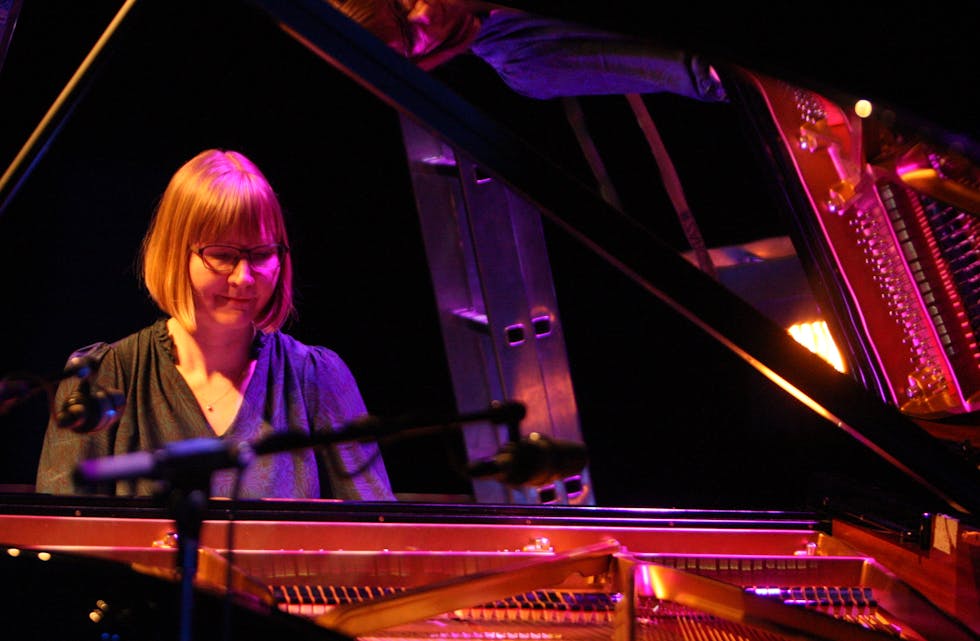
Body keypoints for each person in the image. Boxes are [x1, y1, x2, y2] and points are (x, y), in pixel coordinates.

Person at [35, 149, 396, 501]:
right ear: (176, 254)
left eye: (262, 254)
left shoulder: (316, 378)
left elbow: (377, 537)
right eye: (222, 255)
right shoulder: (102, 380)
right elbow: (61, 538)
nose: (244, 277)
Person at [325, 0, 728, 102]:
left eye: (400, 3)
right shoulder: (528, 64)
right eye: (412, 38)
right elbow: (700, 73)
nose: (424, 13)